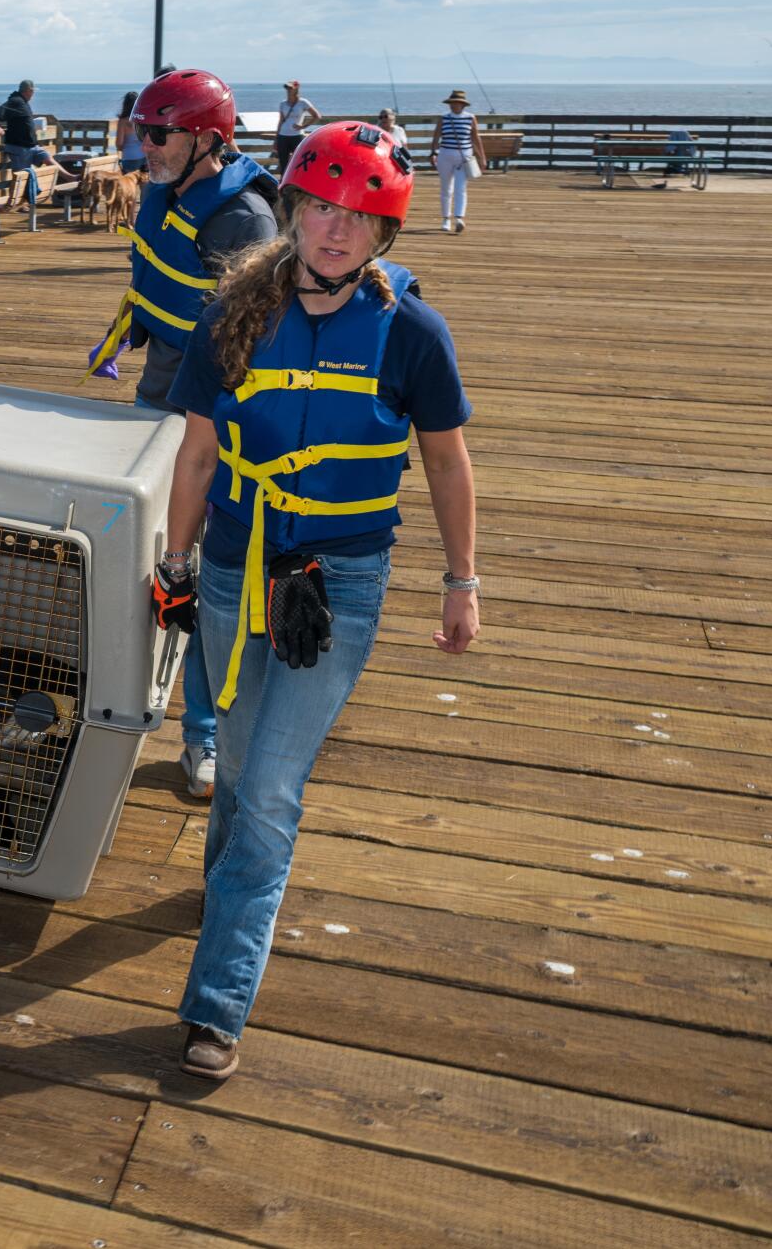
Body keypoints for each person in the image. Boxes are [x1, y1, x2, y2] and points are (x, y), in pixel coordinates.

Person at [152, 121, 479, 1080]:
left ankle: (217, 1004)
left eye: (361, 217)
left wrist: (462, 581)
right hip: (233, 563)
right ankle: (231, 896)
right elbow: (198, 454)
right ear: (292, 209)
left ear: (386, 233)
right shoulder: (232, 315)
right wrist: (174, 562)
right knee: (237, 758)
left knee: (269, 788)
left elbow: (446, 464)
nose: (338, 231)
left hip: (340, 579)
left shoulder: (412, 332)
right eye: (323, 209)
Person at [87, 67, 279, 798]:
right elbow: (159, 279)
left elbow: (253, 338)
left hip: (218, 420)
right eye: (143, 131)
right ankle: (124, 699)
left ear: (208, 139)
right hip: (158, 396)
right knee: (148, 559)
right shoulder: (163, 192)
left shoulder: (244, 220)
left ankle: (204, 736)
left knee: (205, 578)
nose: (147, 145)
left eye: (161, 133)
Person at [428, 89, 488, 233]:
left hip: (463, 158)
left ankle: (459, 218)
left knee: (460, 188)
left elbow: (476, 138)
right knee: (446, 188)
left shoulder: (470, 118)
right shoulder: (444, 118)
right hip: (445, 155)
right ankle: (446, 218)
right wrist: (433, 153)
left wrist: (482, 158)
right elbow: (436, 137)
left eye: (456, 103)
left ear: (462, 104)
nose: (453, 105)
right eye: (452, 103)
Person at [0, 78, 54, 202]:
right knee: (20, 177)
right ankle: (15, 202)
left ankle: (70, 177)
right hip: (19, 146)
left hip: (30, 145)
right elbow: (0, 110)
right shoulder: (15, 101)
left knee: (47, 159)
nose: (33, 94)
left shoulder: (23, 102)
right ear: (28, 91)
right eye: (32, 91)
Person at [272, 80, 322, 174]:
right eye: (287, 88)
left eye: (290, 88)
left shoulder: (303, 102)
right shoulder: (283, 103)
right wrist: (276, 138)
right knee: (283, 163)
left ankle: (297, 181)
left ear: (296, 88)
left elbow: (317, 116)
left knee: (299, 162)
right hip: (283, 136)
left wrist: (303, 126)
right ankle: (283, 182)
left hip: (297, 136)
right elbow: (280, 121)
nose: (288, 90)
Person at [115, 90, 146, 173]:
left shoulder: (123, 121)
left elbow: (119, 144)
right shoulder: (143, 119)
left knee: (129, 181)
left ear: (125, 104)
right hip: (145, 157)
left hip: (130, 158)